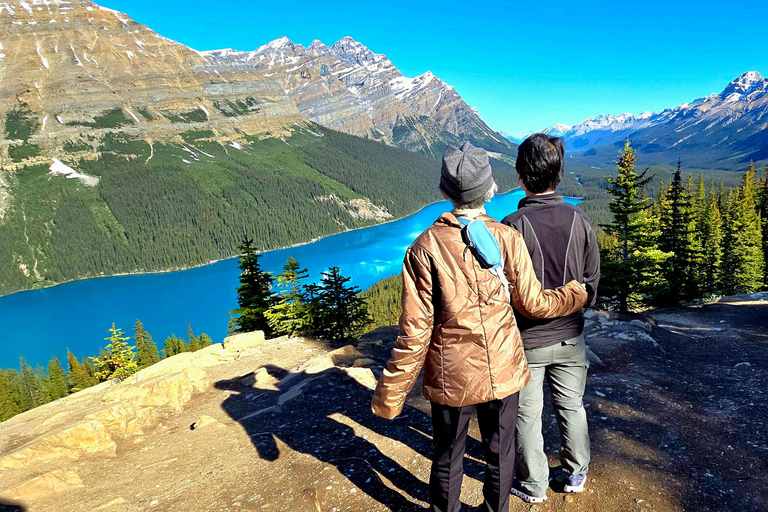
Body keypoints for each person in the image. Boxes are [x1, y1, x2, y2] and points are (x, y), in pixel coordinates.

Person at [372, 141, 588, 512]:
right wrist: (575, 293)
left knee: (447, 456)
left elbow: (415, 331)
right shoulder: (508, 237)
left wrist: (391, 393)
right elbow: (533, 304)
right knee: (500, 452)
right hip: (504, 367)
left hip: (451, 373)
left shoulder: (424, 247)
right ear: (490, 189)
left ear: (443, 191)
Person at [501, 133, 600, 504]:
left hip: (527, 342)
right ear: (558, 173)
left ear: (522, 175)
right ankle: (576, 475)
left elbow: (501, 292)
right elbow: (591, 285)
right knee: (572, 406)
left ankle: (533, 485)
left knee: (527, 413)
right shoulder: (581, 220)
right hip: (571, 337)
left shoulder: (511, 225)